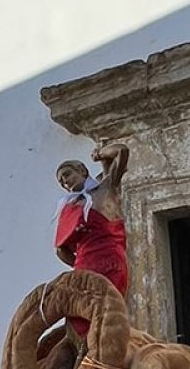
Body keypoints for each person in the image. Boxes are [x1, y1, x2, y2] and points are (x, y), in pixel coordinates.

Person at [53, 143, 131, 341]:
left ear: (82, 170)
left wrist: (100, 153)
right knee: (77, 317)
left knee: (105, 313)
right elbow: (61, 249)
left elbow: (121, 152)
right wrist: (81, 264)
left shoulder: (106, 188)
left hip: (110, 262)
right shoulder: (70, 206)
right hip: (84, 269)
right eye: (61, 182)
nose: (65, 183)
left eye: (67, 175)